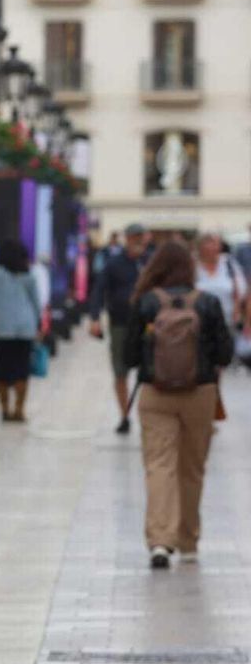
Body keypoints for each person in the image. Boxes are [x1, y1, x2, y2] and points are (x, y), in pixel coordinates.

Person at [123, 241, 235, 569]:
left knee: (159, 465)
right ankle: (188, 540)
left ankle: (160, 541)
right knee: (192, 468)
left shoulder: (146, 303)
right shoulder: (208, 303)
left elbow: (128, 356)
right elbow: (225, 354)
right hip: (200, 394)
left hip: (155, 395)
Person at [89, 224, 152, 433]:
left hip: (148, 325)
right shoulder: (114, 263)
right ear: (127, 238)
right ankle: (124, 415)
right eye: (133, 236)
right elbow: (99, 290)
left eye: (140, 236)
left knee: (150, 371)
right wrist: (95, 317)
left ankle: (148, 414)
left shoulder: (150, 263)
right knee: (120, 371)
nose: (137, 241)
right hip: (120, 323)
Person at [0, 239, 41, 423]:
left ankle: (5, 409)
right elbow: (36, 303)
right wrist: (38, 324)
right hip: (25, 328)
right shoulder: (28, 275)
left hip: (1, 328)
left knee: (2, 370)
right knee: (22, 369)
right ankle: (19, 410)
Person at [194, 232, 246, 331]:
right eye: (210, 244)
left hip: (229, 322)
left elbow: (241, 288)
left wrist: (237, 309)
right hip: (201, 323)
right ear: (200, 247)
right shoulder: (194, 266)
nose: (214, 248)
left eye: (217, 244)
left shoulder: (228, 262)